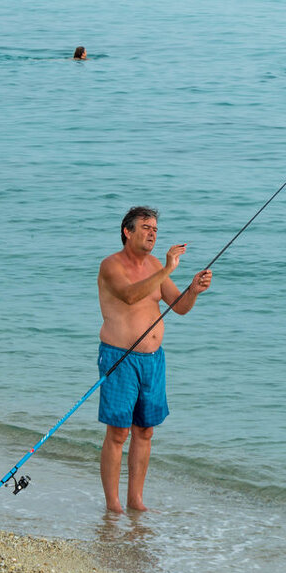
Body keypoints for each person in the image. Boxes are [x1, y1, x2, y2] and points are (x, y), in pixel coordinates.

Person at [96, 206, 212, 513]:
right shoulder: (111, 266)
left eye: (156, 229)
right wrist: (167, 270)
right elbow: (131, 296)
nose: (152, 234)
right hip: (119, 358)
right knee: (118, 432)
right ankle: (114, 505)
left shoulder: (156, 267)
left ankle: (136, 500)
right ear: (128, 231)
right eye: (146, 227)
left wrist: (194, 289)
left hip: (153, 361)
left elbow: (181, 307)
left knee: (145, 431)